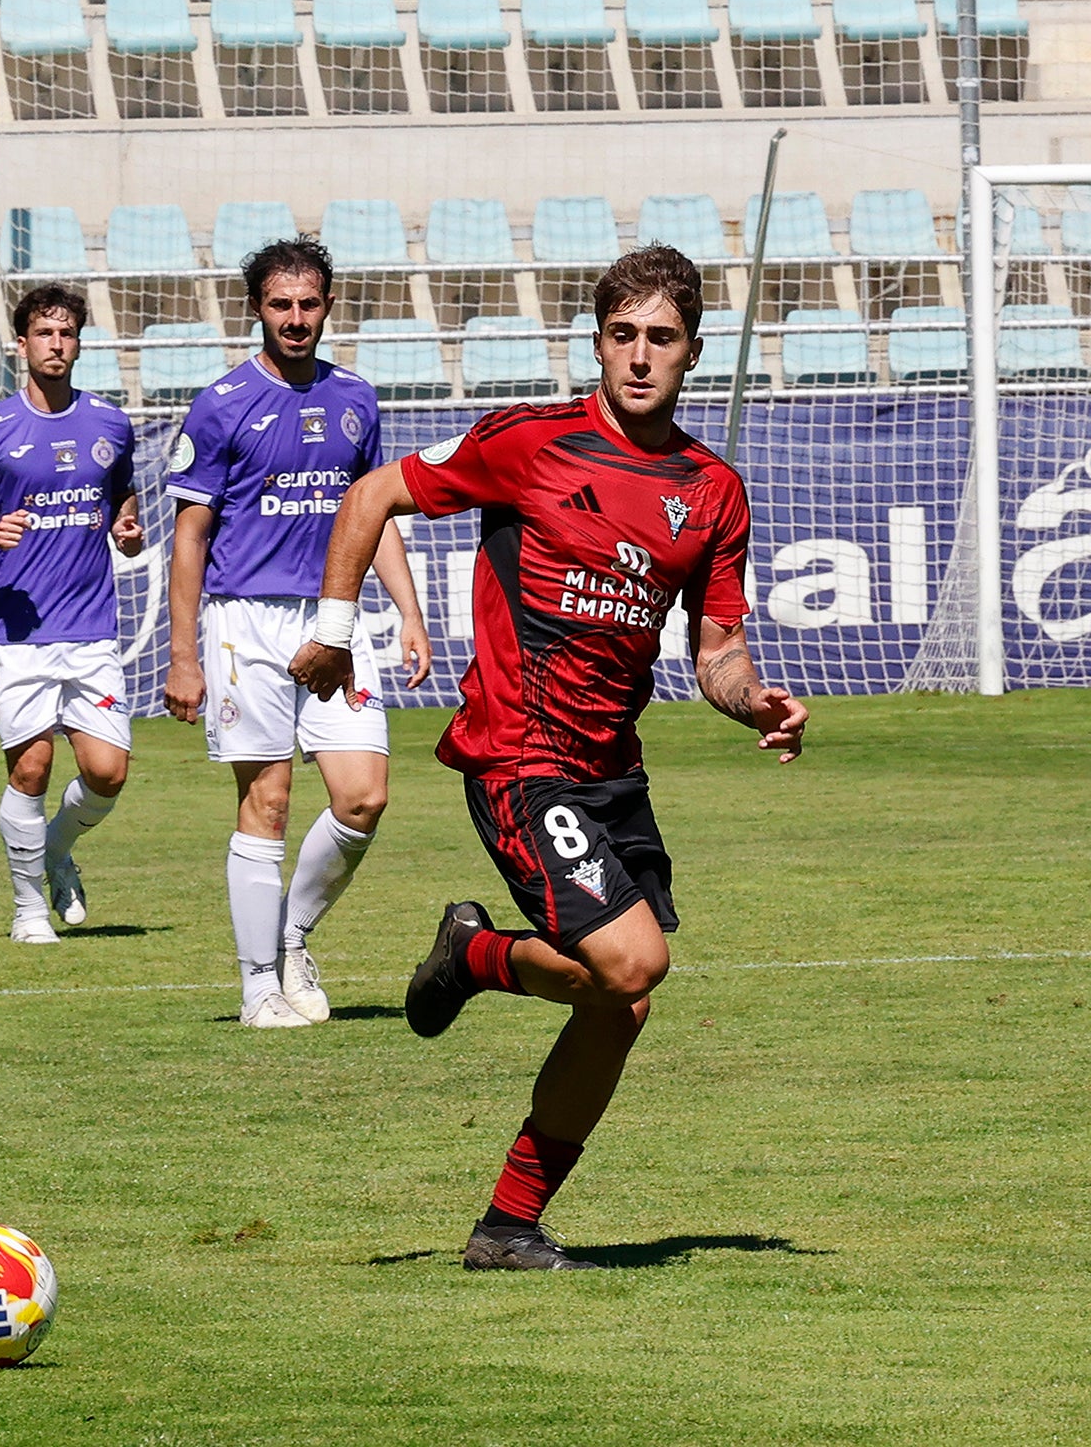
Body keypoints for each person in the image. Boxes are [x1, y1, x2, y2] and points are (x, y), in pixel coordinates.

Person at [289, 244, 808, 1268]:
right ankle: (479, 956)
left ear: (691, 351)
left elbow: (715, 650)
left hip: (610, 769)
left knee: (624, 1002)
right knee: (631, 960)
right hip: (516, 752)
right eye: (622, 335)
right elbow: (369, 496)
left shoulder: (709, 490)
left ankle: (506, 1223)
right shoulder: (529, 442)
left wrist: (754, 702)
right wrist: (336, 623)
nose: (638, 356)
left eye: (660, 338)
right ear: (597, 342)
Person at [162, 236, 430, 1029]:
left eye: (308, 303)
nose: (295, 318)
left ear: (328, 305)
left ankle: (292, 936)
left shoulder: (357, 398)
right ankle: (256, 991)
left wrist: (410, 614)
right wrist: (184, 657)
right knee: (268, 803)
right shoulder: (220, 403)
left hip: (337, 619)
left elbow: (371, 514)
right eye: (280, 304)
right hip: (246, 619)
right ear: (256, 310)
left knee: (364, 796)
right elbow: (190, 537)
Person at [0, 286, 143, 942]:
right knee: (32, 769)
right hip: (18, 634)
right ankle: (27, 910)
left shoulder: (110, 423)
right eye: (45, 333)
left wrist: (127, 528)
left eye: (68, 333)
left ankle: (53, 852)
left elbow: (122, 497)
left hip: (90, 629)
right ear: (20, 344)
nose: (57, 343)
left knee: (108, 773)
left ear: (79, 343)